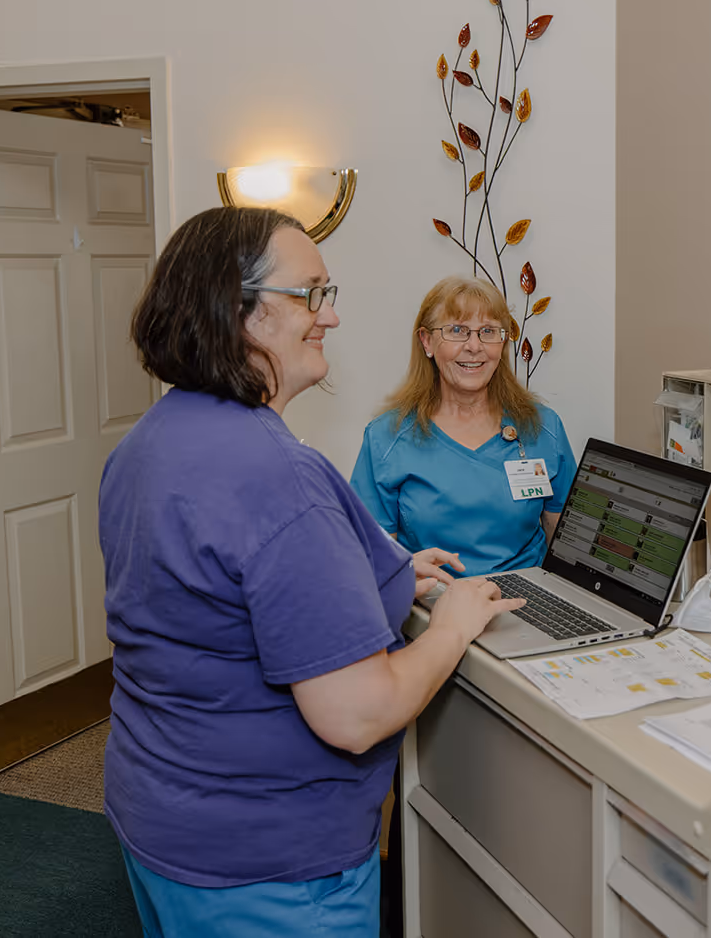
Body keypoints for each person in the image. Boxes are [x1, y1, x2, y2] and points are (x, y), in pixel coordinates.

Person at [99, 208, 523, 937]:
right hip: (266, 862)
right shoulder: (279, 478)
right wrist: (450, 629)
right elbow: (355, 714)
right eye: (312, 295)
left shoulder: (149, 441)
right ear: (238, 310)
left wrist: (381, 576)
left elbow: (222, 595)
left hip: (161, 813)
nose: (331, 316)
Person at [351, 275, 577, 575]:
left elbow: (569, 548)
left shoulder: (543, 428)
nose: (474, 346)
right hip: (434, 604)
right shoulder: (387, 438)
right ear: (427, 341)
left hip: (528, 604)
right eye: (457, 330)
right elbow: (372, 566)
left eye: (488, 331)